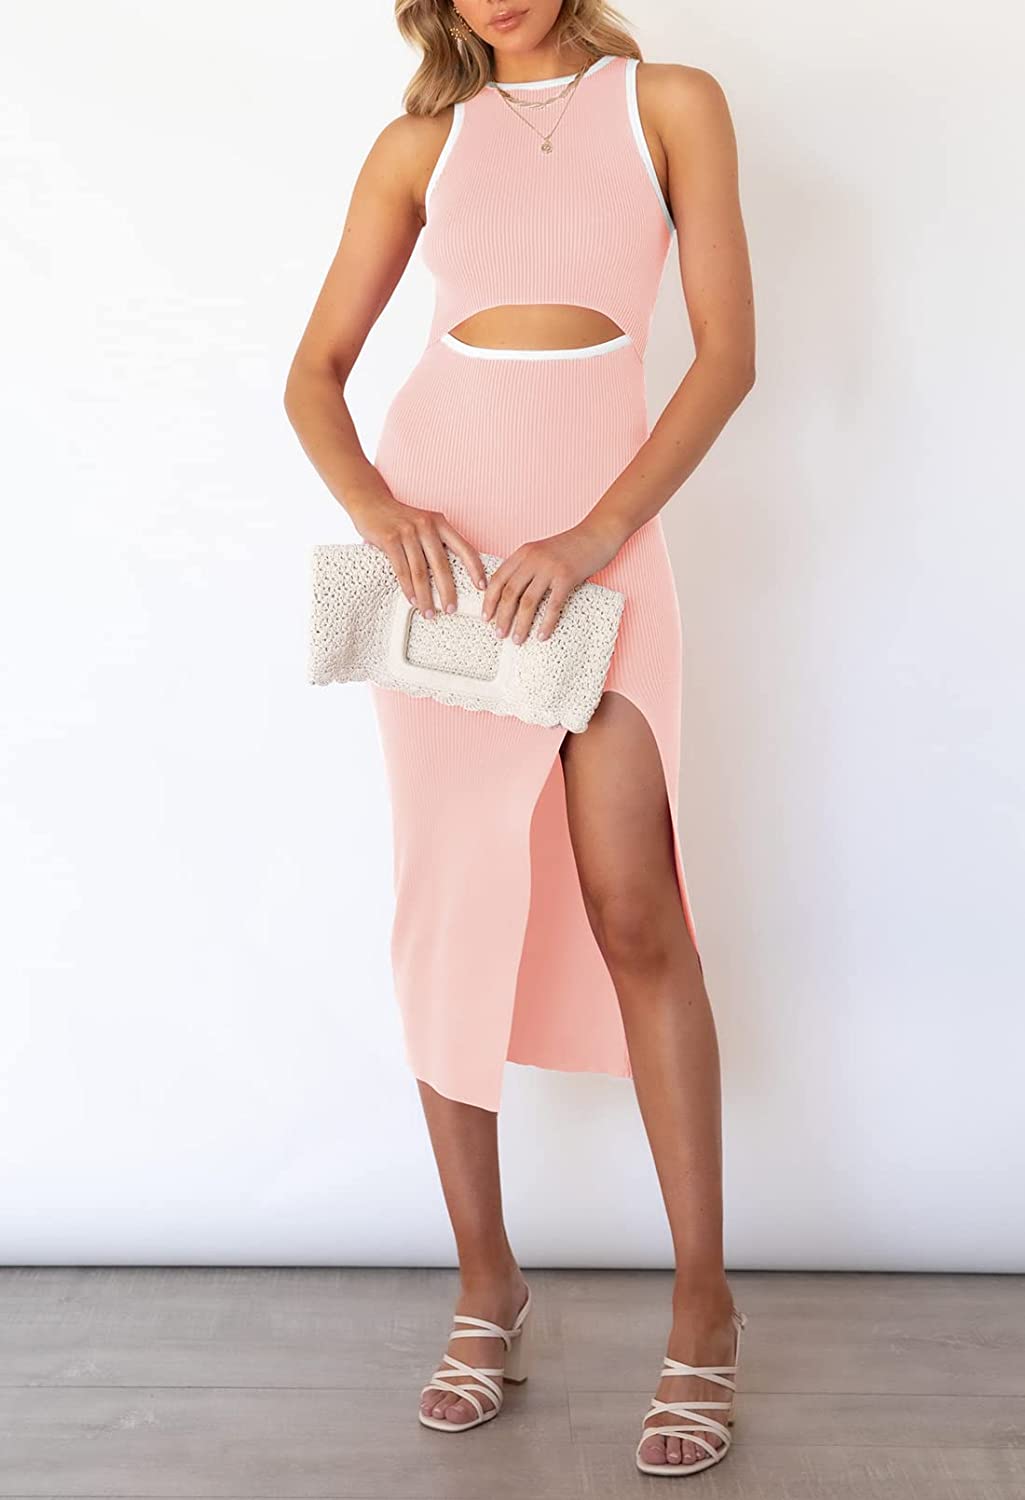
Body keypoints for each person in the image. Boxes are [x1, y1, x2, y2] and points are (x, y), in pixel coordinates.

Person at [284, 0, 755, 1475]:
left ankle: (703, 1305)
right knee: (450, 911)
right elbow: (314, 373)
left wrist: (597, 533)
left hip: (596, 539)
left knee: (636, 906)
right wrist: (384, 513)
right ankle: (486, 1288)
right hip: (448, 548)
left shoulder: (668, 102)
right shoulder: (417, 143)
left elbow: (726, 358)